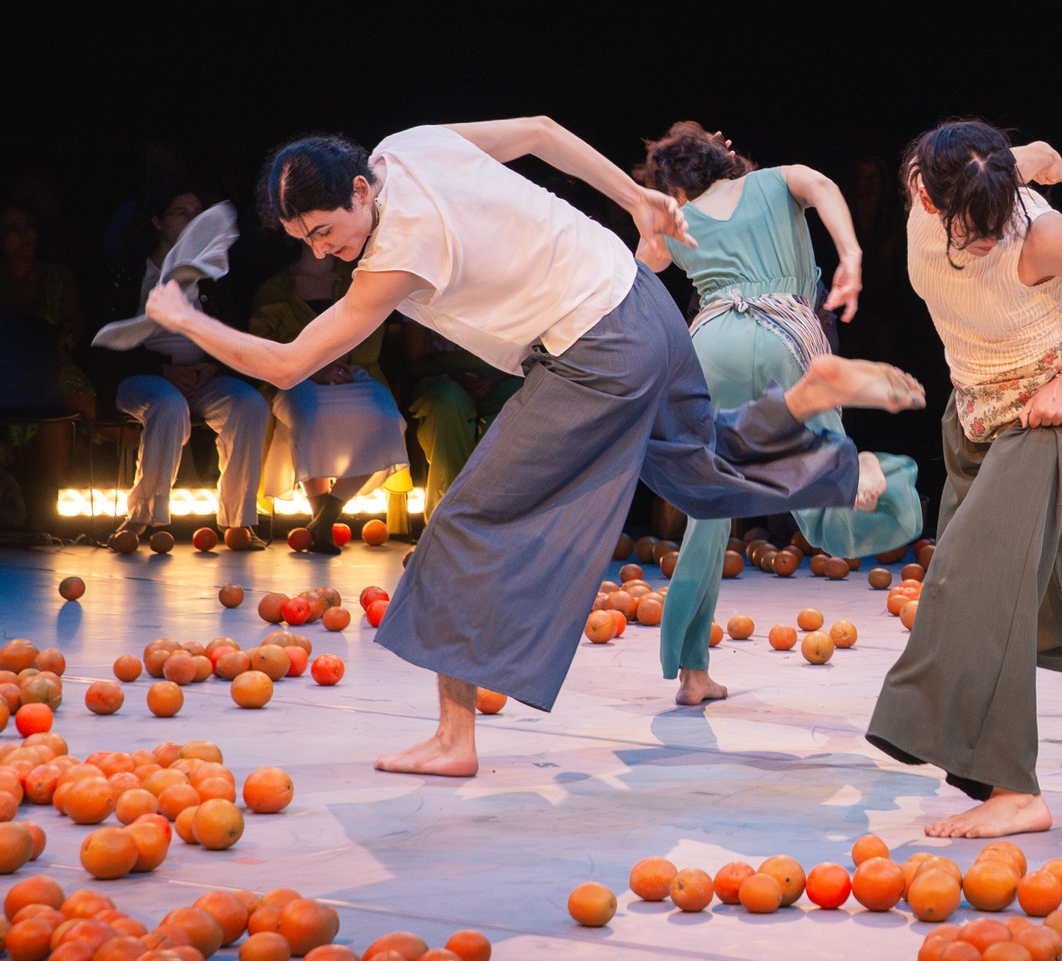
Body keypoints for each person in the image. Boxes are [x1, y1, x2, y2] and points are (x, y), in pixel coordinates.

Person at [145, 117, 926, 777]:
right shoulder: (406, 147)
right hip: (641, 301)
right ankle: (827, 446)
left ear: (359, 194)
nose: (321, 252)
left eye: (324, 231)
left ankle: (455, 739)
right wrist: (639, 199)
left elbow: (288, 364)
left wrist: (184, 321)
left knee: (465, 521)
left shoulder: (393, 255)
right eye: (303, 241)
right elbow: (540, 132)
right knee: (696, 470)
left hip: (593, 349)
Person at [867, 119, 1062, 838]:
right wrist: (1040, 155)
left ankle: (1014, 788)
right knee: (1032, 595)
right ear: (928, 200)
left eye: (997, 221)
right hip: (973, 412)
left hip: (1049, 415)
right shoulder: (931, 185)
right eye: (974, 230)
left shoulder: (1040, 235)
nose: (988, 240)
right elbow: (1022, 157)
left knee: (972, 580)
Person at [634, 121, 920, 706]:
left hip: (708, 345)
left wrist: (655, 212)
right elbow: (820, 184)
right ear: (724, 155)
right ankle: (867, 468)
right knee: (825, 504)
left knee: (708, 508)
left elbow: (647, 266)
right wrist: (851, 255)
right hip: (784, 335)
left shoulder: (679, 217)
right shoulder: (773, 181)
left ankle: (692, 673)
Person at [105, 188, 268, 541]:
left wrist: (212, 365)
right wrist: (163, 369)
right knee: (167, 403)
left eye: (198, 212)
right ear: (158, 222)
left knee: (248, 404)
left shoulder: (214, 275)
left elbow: (235, 332)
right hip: (146, 376)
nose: (192, 219)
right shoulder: (131, 273)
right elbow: (110, 342)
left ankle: (239, 519)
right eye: (180, 212)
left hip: (203, 375)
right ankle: (143, 516)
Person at [248, 243, 411, 551]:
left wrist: (341, 361)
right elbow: (263, 345)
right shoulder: (275, 289)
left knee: (386, 417)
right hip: (297, 376)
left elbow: (371, 334)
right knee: (310, 415)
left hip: (354, 372)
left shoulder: (357, 279)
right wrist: (311, 370)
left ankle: (327, 515)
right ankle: (320, 517)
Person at [2, 200, 94, 519]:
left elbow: (73, 324)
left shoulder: (57, 279)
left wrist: (58, 343)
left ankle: (63, 496)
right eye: (13, 229)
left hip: (48, 364)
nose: (25, 236)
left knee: (80, 401)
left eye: (30, 227)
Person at [401, 317, 519, 521]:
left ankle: (502, 521)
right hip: (442, 377)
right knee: (445, 404)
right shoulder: (423, 290)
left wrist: (494, 377)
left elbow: (533, 351)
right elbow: (414, 361)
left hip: (504, 374)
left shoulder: (514, 287)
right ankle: (449, 519)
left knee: (519, 408)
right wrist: (455, 374)